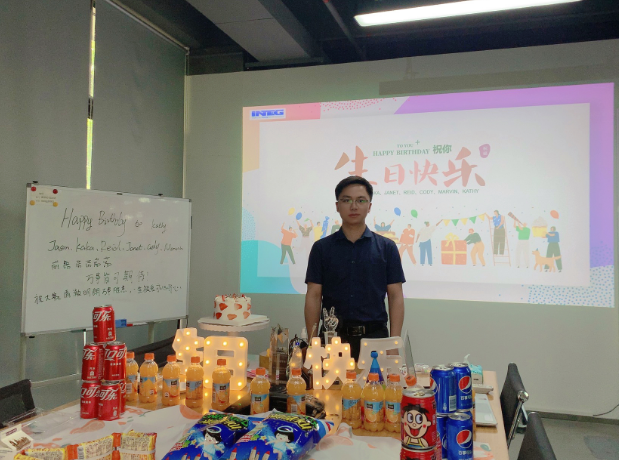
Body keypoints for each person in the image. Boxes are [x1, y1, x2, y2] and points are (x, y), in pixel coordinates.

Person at [304, 176, 405, 360]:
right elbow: (314, 295)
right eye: (346, 200)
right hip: (332, 338)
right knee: (327, 381)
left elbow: (396, 296)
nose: (354, 206)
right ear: (337, 206)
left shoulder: (387, 248)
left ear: (369, 206)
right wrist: (313, 343)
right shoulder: (321, 248)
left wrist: (393, 343)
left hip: (375, 338)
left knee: (376, 380)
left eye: (360, 200)